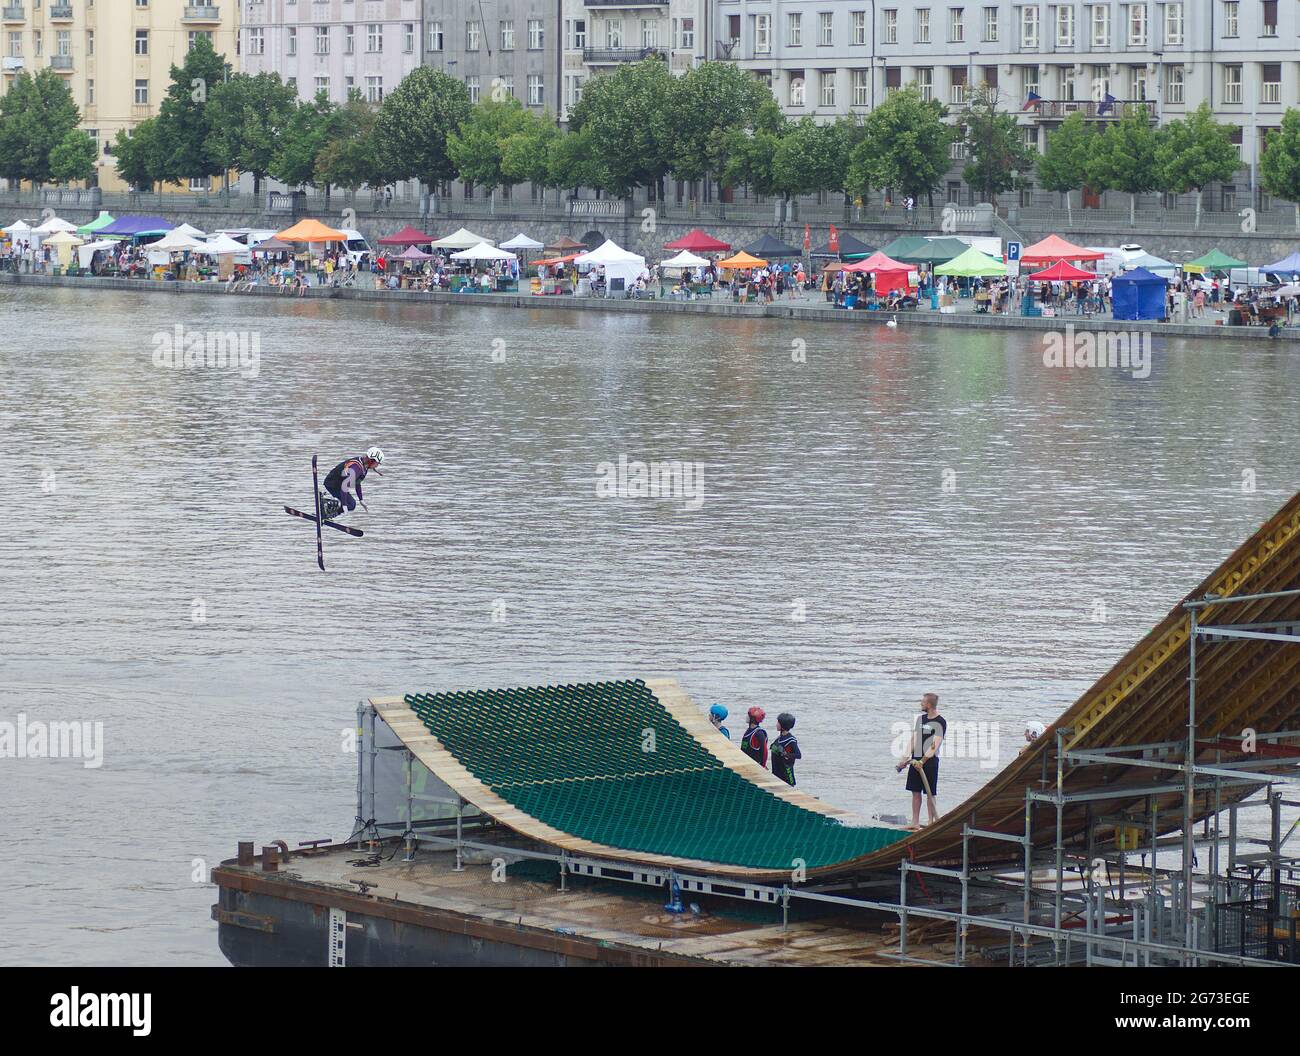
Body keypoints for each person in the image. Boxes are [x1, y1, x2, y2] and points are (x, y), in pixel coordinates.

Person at [895, 693, 945, 829]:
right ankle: (915, 823)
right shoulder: (921, 719)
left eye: (922, 702)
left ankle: (930, 823)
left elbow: (935, 745)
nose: (921, 704)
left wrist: (922, 761)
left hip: (929, 762)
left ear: (929, 704)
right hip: (915, 760)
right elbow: (913, 740)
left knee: (930, 793)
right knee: (915, 792)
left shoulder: (940, 721)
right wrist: (904, 759)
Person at [321, 447, 385, 519]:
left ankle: (328, 513)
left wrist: (361, 499)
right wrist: (344, 505)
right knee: (350, 504)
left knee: (351, 505)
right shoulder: (356, 468)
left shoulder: (364, 467)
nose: (377, 466)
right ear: (371, 460)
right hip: (332, 483)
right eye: (377, 463)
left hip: (339, 484)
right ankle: (326, 504)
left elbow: (357, 483)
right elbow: (344, 485)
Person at [770, 713, 801, 786]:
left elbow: (798, 755)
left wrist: (786, 754)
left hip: (786, 776)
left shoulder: (791, 740)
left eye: (778, 723)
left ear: (783, 726)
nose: (776, 724)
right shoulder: (779, 738)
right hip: (776, 773)